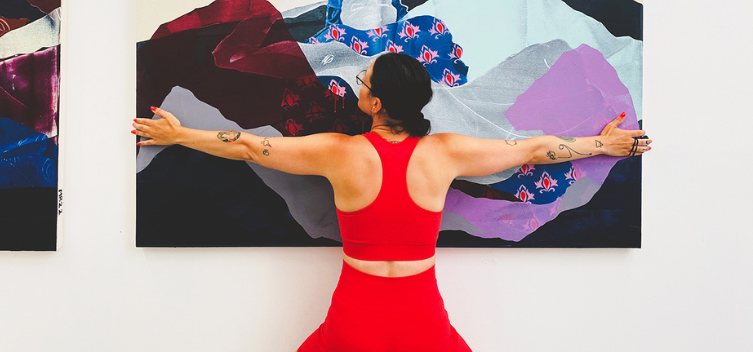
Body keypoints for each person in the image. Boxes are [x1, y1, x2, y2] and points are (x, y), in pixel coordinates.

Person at [132, 52, 651, 352]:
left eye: (364, 82)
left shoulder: (339, 154)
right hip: (420, 310)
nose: (358, 83)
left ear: (375, 102)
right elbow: (535, 149)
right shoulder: (446, 153)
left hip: (356, 309)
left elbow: (247, 145)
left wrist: (179, 135)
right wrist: (603, 145)